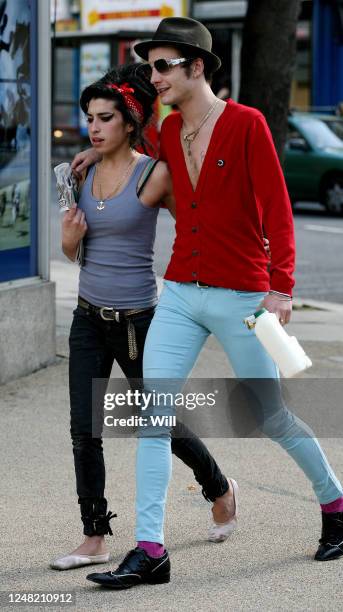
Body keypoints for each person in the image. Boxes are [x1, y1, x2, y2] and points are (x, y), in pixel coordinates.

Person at [82, 17, 343, 589]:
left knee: (268, 413)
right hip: (179, 293)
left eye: (162, 67)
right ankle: (150, 548)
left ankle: (335, 507)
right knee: (153, 414)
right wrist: (90, 156)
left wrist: (281, 288)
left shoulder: (247, 124)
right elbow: (122, 141)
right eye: (150, 68)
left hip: (245, 295)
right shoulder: (169, 131)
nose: (154, 78)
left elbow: (278, 208)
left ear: (196, 66)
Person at [50, 63, 238, 571]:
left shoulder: (153, 174)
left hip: (139, 322)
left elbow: (195, 227)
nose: (93, 126)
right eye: (89, 117)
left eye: (105, 117)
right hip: (88, 316)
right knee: (84, 428)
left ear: (129, 123)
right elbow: (72, 252)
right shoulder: (80, 170)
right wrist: (70, 236)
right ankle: (95, 536)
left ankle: (219, 488)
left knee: (158, 424)